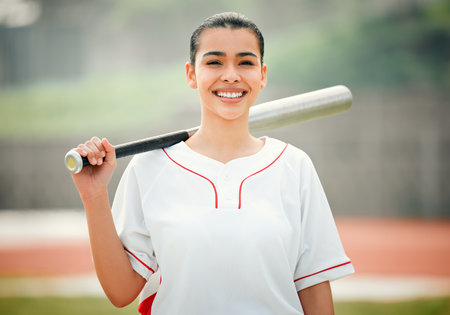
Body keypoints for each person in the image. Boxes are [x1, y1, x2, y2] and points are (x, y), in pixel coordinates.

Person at [70, 12, 354, 315]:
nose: (231, 74)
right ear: (191, 74)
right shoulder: (148, 168)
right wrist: (94, 195)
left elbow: (312, 288)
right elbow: (120, 291)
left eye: (245, 62)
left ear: (263, 74)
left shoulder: (294, 166)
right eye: (214, 62)